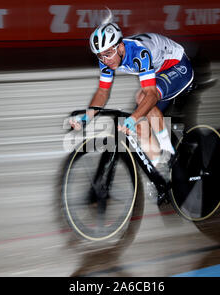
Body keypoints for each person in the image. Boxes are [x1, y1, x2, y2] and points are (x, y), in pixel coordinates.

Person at [70, 22, 194, 180]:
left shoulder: (139, 53)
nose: (105, 60)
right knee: (141, 127)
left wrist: (132, 118)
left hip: (177, 66)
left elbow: (151, 95)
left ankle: (169, 152)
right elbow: (102, 92)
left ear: (120, 47)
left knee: (142, 100)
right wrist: (87, 117)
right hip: (157, 71)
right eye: (100, 56)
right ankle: (159, 172)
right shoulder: (106, 56)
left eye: (108, 54)